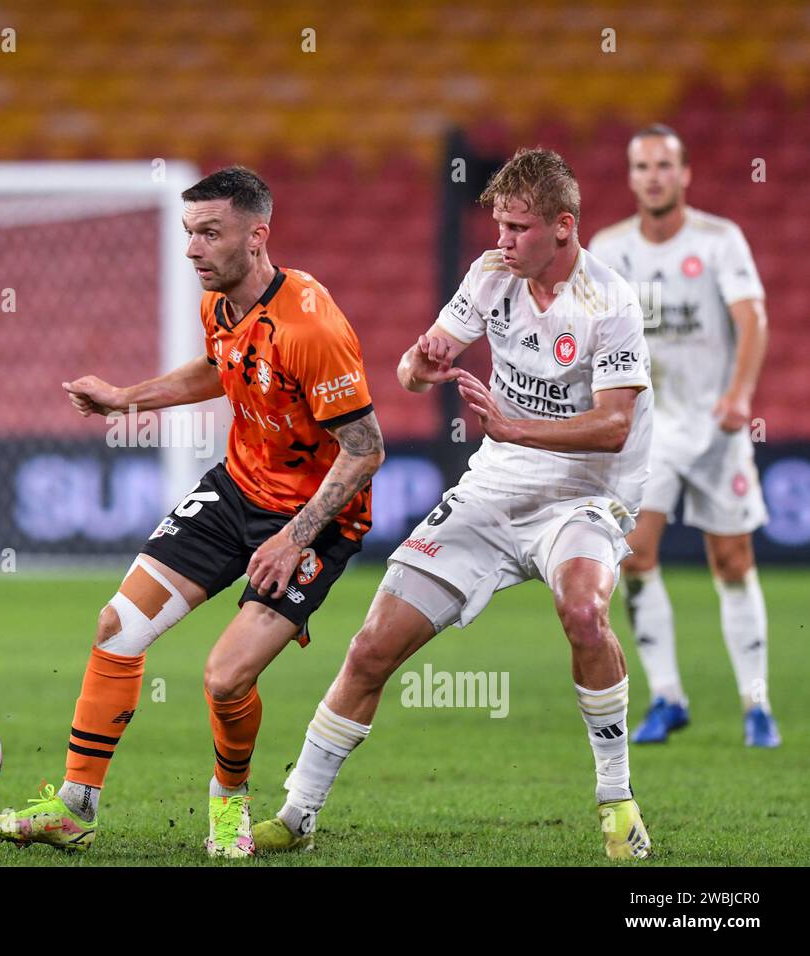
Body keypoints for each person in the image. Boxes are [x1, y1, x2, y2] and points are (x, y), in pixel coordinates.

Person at [253, 148, 656, 861]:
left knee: (586, 613)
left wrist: (515, 427)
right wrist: (420, 363)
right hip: (493, 490)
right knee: (373, 645)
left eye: (518, 228)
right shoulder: (491, 277)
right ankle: (297, 812)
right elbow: (414, 369)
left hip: (584, 495)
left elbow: (616, 423)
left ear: (564, 228)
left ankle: (617, 802)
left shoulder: (611, 302)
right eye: (498, 225)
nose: (501, 241)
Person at [0, 166, 385, 856]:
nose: (193, 249)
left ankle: (229, 804)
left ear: (257, 238)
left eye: (210, 233)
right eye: (189, 233)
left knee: (225, 679)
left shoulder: (311, 326)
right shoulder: (218, 303)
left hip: (314, 518)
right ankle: (74, 808)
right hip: (234, 490)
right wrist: (126, 398)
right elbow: (219, 367)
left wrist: (294, 537)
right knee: (117, 625)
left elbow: (366, 448)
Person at [590, 124, 778, 747]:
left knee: (732, 559)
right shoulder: (610, 248)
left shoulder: (720, 241)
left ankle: (756, 702)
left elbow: (751, 321)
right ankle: (668, 697)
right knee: (636, 553)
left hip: (715, 424)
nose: (652, 176)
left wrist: (739, 397)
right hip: (649, 431)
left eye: (663, 165)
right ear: (631, 176)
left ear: (684, 174)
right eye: (641, 166)